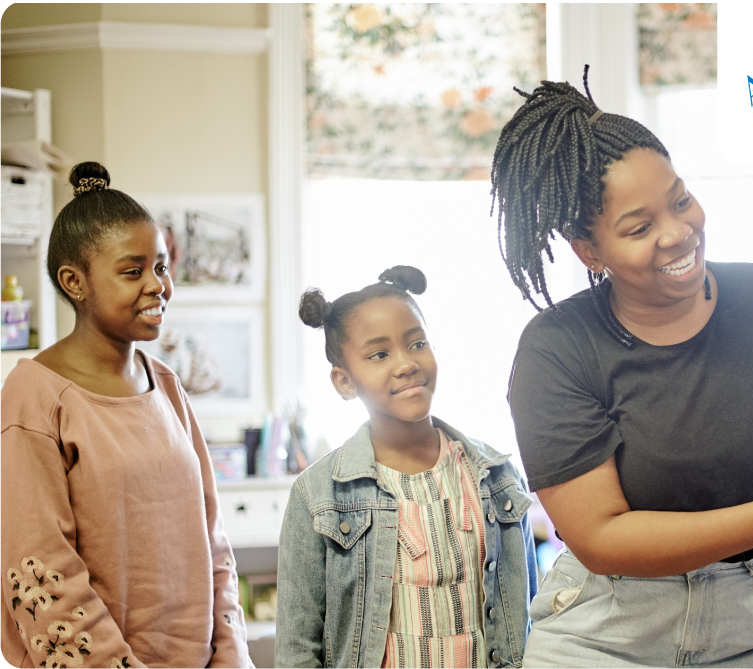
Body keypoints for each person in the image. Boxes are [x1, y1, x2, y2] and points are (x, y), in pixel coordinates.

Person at [492, 69, 753, 667]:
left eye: (681, 200)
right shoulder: (556, 348)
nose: (679, 232)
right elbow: (602, 537)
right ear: (590, 251)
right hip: (607, 630)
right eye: (639, 227)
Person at [0, 163, 251, 669]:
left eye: (161, 266)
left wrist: (231, 655)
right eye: (133, 271)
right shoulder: (34, 397)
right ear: (75, 281)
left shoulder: (168, 387)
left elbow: (213, 540)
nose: (158, 285)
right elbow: (39, 569)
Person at [276, 266, 536, 669]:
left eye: (417, 344)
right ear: (345, 382)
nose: (406, 364)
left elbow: (527, 616)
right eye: (379, 354)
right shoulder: (317, 496)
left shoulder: (497, 476)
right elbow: (297, 648)